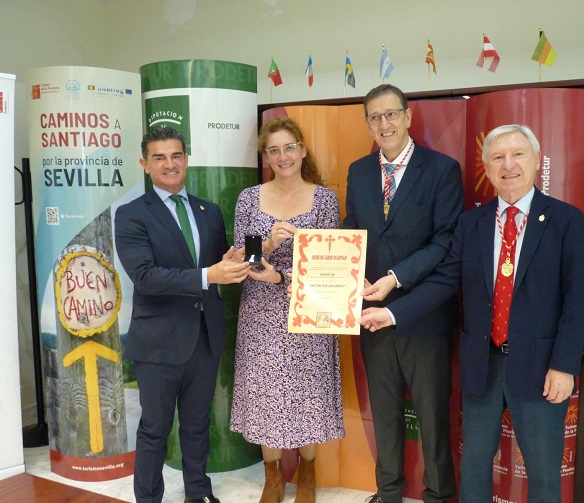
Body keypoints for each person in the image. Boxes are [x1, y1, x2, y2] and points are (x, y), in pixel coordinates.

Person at [360, 124, 584, 502]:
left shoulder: (565, 220)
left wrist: (564, 366)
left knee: (545, 473)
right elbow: (443, 281)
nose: (508, 165)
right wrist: (391, 314)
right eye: (497, 157)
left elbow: (577, 299)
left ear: (535, 161)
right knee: (474, 468)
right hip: (481, 365)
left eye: (518, 154)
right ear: (486, 168)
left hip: (542, 366)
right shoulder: (473, 222)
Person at [115, 126, 249, 503]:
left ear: (186, 159)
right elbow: (145, 277)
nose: (169, 164)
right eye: (159, 158)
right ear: (145, 164)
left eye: (176, 155)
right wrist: (210, 275)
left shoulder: (208, 210)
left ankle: (198, 492)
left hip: (204, 338)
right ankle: (148, 498)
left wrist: (230, 262)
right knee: (155, 430)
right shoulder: (132, 215)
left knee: (196, 425)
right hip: (159, 344)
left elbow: (217, 263)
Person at [343, 84, 463, 503]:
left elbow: (444, 241)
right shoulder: (358, 171)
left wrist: (395, 277)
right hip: (369, 315)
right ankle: (388, 491)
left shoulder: (442, 170)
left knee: (432, 417)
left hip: (424, 315)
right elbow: (352, 229)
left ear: (408, 117)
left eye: (391, 114)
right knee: (385, 412)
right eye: (374, 117)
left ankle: (437, 495)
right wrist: (336, 266)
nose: (384, 124)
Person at [230, 117, 345, 503]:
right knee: (265, 395)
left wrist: (281, 276)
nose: (283, 156)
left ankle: (308, 471)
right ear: (266, 156)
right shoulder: (249, 198)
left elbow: (332, 264)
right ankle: (273, 476)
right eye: (274, 150)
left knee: (307, 393)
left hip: (309, 312)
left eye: (290, 147)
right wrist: (264, 246)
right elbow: (240, 260)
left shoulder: (325, 199)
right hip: (260, 315)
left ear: (303, 149)